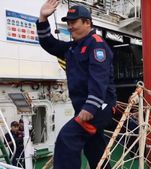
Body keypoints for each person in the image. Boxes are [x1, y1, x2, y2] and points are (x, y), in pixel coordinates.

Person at [37, 1, 117, 168]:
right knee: (93, 148)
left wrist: (90, 107)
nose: (70, 26)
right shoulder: (73, 47)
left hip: (98, 107)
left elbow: (99, 78)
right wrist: (43, 18)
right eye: (68, 23)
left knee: (67, 138)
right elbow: (49, 43)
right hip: (83, 107)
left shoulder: (96, 44)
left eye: (73, 22)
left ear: (87, 22)